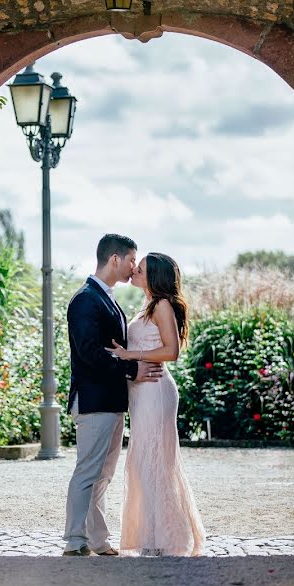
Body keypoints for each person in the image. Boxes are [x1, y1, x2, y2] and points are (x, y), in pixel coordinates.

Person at [62, 234, 165, 557]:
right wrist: (133, 371)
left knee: (103, 475)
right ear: (115, 259)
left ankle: (97, 539)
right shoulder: (85, 300)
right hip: (93, 401)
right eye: (132, 259)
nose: (135, 266)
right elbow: (90, 352)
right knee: (87, 472)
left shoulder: (106, 297)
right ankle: (74, 541)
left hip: (111, 401)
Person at [108, 252, 206, 556]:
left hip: (155, 390)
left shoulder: (162, 305)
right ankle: (151, 536)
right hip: (141, 392)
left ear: (156, 276)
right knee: (144, 461)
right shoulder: (147, 305)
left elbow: (171, 351)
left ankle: (162, 540)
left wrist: (130, 356)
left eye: (143, 268)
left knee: (153, 461)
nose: (135, 269)